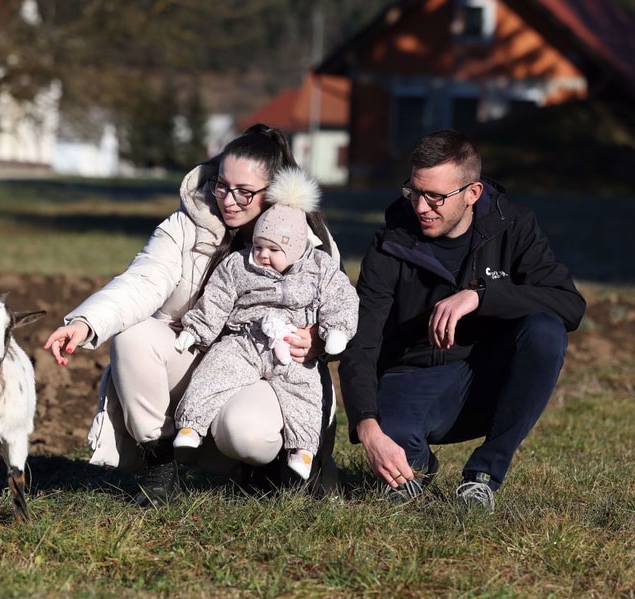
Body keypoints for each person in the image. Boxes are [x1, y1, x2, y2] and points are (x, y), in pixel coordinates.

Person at [43, 124, 343, 506]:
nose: (228, 200)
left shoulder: (312, 243)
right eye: (221, 184)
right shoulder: (186, 225)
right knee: (134, 335)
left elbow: (340, 311)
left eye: (244, 192)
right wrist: (86, 322)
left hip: (269, 370)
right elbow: (143, 280)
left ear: (274, 193)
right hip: (193, 351)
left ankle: (264, 470)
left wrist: (318, 340)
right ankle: (161, 468)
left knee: (246, 431)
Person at [339, 129, 586, 511]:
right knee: (396, 446)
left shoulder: (514, 225)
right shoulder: (390, 244)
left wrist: (481, 296)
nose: (421, 207)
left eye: (435, 197)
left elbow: (570, 305)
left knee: (544, 331)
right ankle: (419, 465)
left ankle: (483, 476)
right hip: (412, 377)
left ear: (473, 194)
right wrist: (366, 427)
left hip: (487, 376)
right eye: (414, 192)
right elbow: (362, 341)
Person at [172, 166, 359, 480]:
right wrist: (197, 329)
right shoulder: (239, 264)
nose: (262, 255)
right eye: (259, 246)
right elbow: (217, 297)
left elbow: (342, 298)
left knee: (305, 394)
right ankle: (191, 427)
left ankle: (303, 450)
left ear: (297, 249)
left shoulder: (318, 267)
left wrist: (335, 331)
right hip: (246, 340)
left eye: (274, 250)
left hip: (290, 347)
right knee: (215, 370)